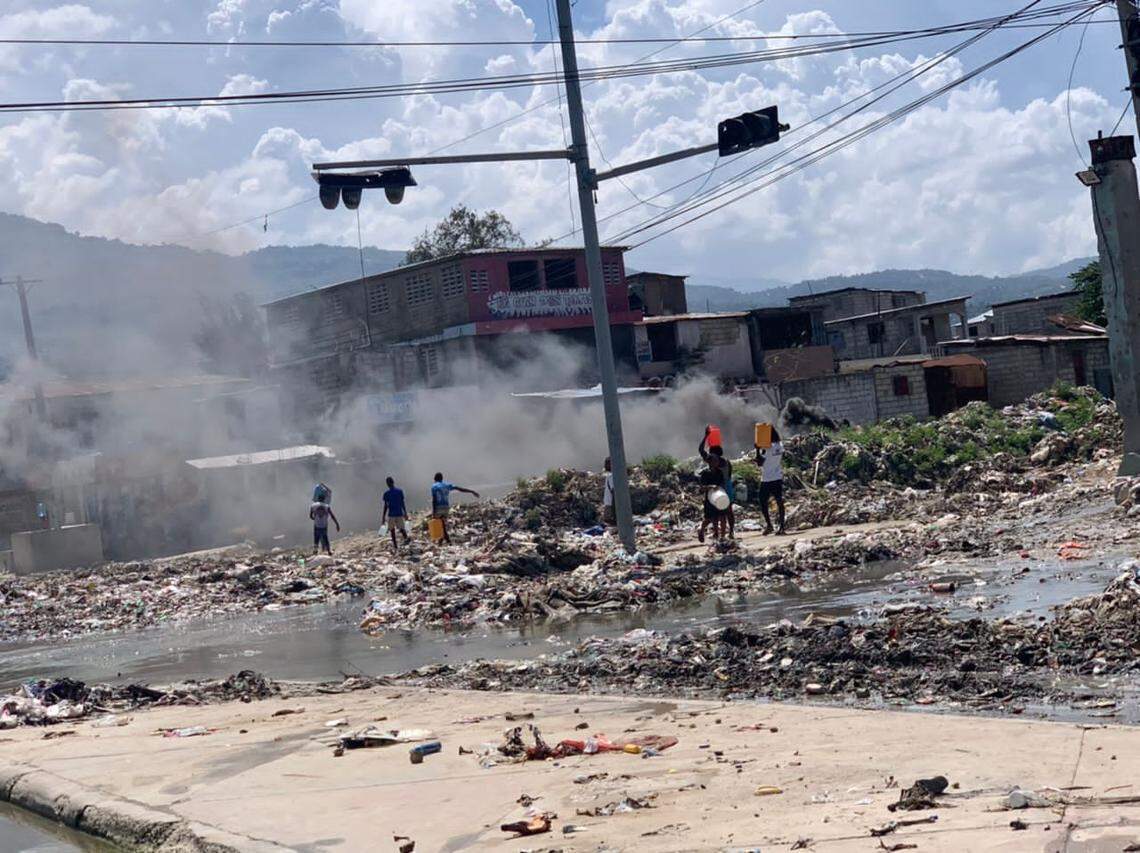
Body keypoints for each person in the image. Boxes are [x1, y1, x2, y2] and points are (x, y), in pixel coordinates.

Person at [699, 428, 735, 539]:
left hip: (717, 490)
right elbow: (729, 475)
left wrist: (705, 436)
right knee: (726, 512)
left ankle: (717, 533)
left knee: (717, 513)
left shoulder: (714, 461)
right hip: (725, 487)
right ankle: (729, 532)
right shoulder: (725, 461)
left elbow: (701, 450)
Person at [431, 472, 479, 545]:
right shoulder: (446, 485)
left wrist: (434, 511)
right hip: (446, 507)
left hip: (438, 507)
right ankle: (442, 541)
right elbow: (459, 488)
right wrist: (472, 491)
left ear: (434, 479)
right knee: (442, 524)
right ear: (442, 479)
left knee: (441, 524)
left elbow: (434, 500)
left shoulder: (434, 486)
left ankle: (447, 541)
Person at [755, 426, 786, 535]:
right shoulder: (780, 445)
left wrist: (757, 449)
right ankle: (782, 526)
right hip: (777, 477)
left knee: (763, 502)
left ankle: (769, 525)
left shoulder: (766, 448)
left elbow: (759, 463)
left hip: (767, 479)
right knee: (779, 501)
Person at [381, 476, 411, 554]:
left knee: (392, 530)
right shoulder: (399, 491)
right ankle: (406, 538)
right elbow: (402, 503)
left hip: (392, 514)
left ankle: (395, 546)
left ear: (387, 484)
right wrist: (405, 513)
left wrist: (383, 516)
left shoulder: (386, 494)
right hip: (399, 513)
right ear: (393, 482)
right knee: (401, 528)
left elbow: (386, 506)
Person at [602, 457, 615, 525]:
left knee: (609, 522)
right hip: (610, 503)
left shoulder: (610, 476)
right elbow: (613, 491)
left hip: (609, 502)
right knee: (610, 522)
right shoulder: (611, 476)